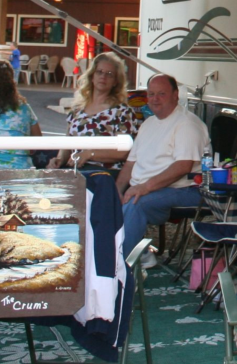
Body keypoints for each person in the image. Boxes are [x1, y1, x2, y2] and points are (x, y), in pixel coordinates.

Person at [115, 74, 209, 264]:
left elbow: (183, 167)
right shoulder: (149, 123)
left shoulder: (186, 124)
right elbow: (131, 163)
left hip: (184, 188)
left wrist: (143, 187)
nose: (155, 99)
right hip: (153, 188)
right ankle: (135, 251)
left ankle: (121, 266)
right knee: (106, 199)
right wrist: (116, 189)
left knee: (136, 202)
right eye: (151, 94)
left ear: (175, 95)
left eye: (161, 94)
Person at [47, 52, 141, 171]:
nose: (103, 77)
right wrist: (59, 159)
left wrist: (89, 154)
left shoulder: (122, 112)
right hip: (76, 170)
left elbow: (123, 152)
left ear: (116, 82)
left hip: (103, 174)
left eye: (109, 74)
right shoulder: (77, 109)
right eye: (99, 72)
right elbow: (68, 143)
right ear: (92, 76)